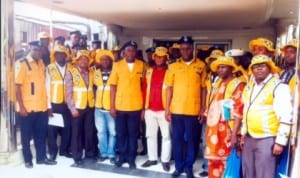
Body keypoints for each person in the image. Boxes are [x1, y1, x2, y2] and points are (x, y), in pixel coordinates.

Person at [241, 55, 293, 178]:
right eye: (256, 66)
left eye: (263, 65)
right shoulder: (250, 86)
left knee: (265, 175)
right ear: (251, 69)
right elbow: (246, 110)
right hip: (249, 137)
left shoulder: (279, 87)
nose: (259, 69)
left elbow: (286, 115)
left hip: (267, 139)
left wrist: (280, 142)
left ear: (269, 68)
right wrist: (242, 133)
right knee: (248, 173)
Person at [165, 36, 207, 178]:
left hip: (194, 110)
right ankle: (178, 166)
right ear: (180, 50)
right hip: (176, 110)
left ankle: (189, 166)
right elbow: (169, 88)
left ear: (192, 49)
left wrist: (202, 108)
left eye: (188, 48)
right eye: (182, 48)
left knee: (192, 140)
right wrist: (167, 109)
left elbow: (203, 89)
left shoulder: (201, 66)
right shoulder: (173, 66)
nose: (185, 51)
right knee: (177, 140)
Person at [15, 41, 57, 168]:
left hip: (42, 107)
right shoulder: (22, 64)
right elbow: (17, 86)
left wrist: (48, 106)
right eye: (35, 49)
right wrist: (21, 107)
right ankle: (28, 160)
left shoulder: (41, 63)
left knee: (41, 135)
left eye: (40, 50)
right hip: (27, 108)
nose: (37, 52)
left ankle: (41, 158)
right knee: (26, 136)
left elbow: (44, 86)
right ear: (29, 49)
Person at [205, 56, 245, 178]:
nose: (220, 70)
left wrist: (235, 134)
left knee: (227, 160)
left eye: (223, 67)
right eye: (218, 68)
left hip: (227, 129)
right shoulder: (218, 83)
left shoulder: (238, 84)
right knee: (213, 159)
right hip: (213, 128)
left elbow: (239, 109)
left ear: (231, 68)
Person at [109, 41, 146, 169]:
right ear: (124, 52)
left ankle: (131, 158)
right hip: (120, 106)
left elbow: (144, 86)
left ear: (136, 52)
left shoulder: (141, 65)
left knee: (133, 134)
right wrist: (112, 106)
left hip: (136, 106)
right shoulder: (117, 65)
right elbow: (113, 86)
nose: (131, 53)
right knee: (121, 133)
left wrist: (143, 108)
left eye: (133, 50)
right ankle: (122, 157)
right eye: (129, 50)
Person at [141, 47, 171, 172]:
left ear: (166, 58)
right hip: (150, 109)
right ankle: (152, 158)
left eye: (162, 56)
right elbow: (144, 89)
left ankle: (165, 160)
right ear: (154, 58)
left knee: (166, 136)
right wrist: (143, 108)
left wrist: (170, 109)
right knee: (150, 135)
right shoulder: (148, 71)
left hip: (165, 109)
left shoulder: (170, 71)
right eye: (157, 56)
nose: (159, 58)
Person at [65, 50, 97, 166]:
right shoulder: (71, 73)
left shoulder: (91, 72)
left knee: (89, 132)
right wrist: (72, 109)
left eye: (86, 59)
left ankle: (90, 154)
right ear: (77, 61)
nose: (84, 61)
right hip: (77, 108)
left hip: (89, 106)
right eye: (81, 59)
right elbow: (68, 93)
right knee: (76, 133)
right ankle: (77, 156)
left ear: (89, 61)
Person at [200, 49, 225, 177]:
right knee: (205, 142)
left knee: (219, 142)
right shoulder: (209, 76)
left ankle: (220, 168)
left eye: (217, 61)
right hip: (208, 114)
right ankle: (206, 166)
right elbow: (205, 91)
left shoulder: (227, 78)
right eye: (212, 61)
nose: (214, 64)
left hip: (220, 117)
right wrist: (203, 108)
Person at [46, 45, 73, 161]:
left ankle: (64, 150)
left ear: (66, 56)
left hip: (68, 104)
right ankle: (53, 152)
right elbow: (46, 87)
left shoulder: (71, 68)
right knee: (52, 129)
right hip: (54, 103)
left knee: (67, 127)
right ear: (54, 56)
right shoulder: (49, 68)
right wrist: (48, 106)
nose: (60, 56)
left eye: (62, 54)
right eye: (57, 54)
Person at [93, 50, 116, 164]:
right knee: (101, 132)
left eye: (107, 59)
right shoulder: (95, 73)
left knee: (113, 132)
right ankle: (103, 153)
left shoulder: (115, 72)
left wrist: (114, 106)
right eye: (102, 59)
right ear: (99, 61)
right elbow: (93, 88)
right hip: (98, 109)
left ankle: (111, 153)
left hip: (111, 108)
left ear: (111, 61)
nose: (104, 61)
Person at [280, 39, 299, 158]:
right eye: (286, 52)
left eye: (292, 51)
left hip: (295, 117)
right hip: (282, 117)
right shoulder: (282, 73)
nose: (287, 54)